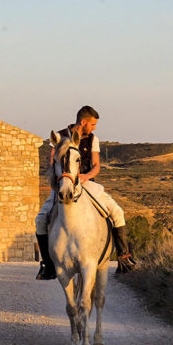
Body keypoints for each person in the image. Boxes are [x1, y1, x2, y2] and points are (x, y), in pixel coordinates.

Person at [35, 106, 138, 280]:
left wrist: (85, 176)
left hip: (87, 183)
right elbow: (51, 162)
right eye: (93, 124)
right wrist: (64, 178)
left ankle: (123, 257)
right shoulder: (59, 137)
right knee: (40, 220)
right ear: (83, 122)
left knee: (117, 212)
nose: (94, 127)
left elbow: (96, 165)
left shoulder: (93, 139)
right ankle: (48, 264)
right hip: (63, 185)